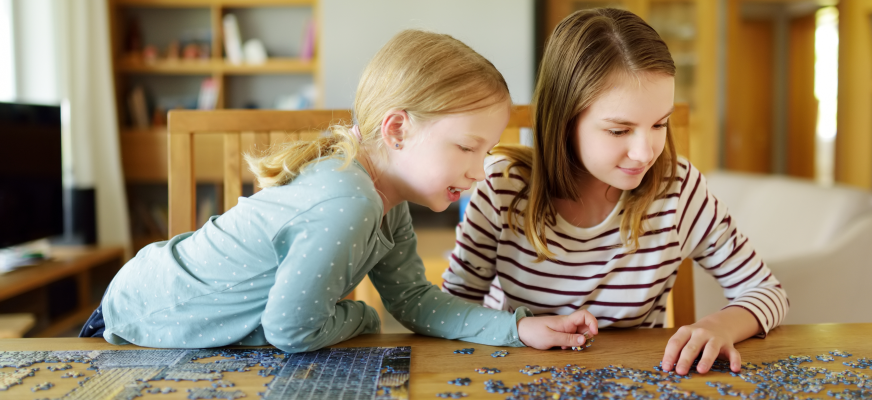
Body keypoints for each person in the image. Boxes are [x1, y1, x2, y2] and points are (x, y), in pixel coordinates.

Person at [80, 29, 598, 352]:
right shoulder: (348, 202)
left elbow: (413, 300)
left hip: (159, 309)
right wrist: (362, 315)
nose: (481, 171)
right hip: (145, 321)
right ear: (397, 130)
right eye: (468, 148)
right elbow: (291, 331)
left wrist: (517, 329)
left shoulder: (384, 198)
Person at [442, 9, 789, 374]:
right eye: (619, 131)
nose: (644, 152)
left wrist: (717, 326)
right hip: (514, 378)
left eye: (660, 124)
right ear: (564, 121)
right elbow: (449, 312)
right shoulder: (503, 189)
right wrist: (515, 330)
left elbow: (767, 292)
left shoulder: (679, 189)